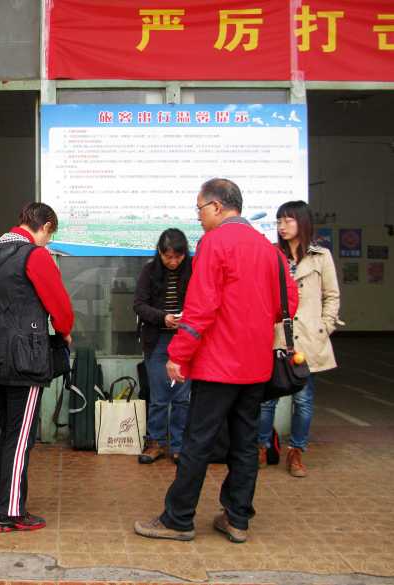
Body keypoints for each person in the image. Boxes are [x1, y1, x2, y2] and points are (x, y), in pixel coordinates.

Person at [134, 178, 297, 544]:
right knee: (245, 443)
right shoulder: (269, 249)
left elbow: (201, 305)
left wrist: (178, 354)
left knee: (197, 442)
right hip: (257, 366)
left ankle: (178, 519)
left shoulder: (215, 242)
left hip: (218, 365)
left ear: (218, 207)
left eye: (200, 209)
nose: (199, 217)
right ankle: (237, 519)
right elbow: (289, 303)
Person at [0, 202, 74, 533]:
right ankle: (10, 512)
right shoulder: (35, 256)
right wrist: (64, 330)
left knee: (9, 431)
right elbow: (59, 305)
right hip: (25, 360)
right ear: (44, 226)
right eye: (50, 234)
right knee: (21, 438)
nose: (48, 241)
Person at [258, 201, 340, 478]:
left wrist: (325, 326)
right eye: (279, 221)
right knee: (267, 398)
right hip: (275, 335)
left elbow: (332, 295)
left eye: (288, 220)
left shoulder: (321, 256)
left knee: (303, 399)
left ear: (302, 222)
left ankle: (296, 451)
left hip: (307, 338)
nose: (282, 226)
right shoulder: (272, 254)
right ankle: (261, 446)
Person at [133, 228, 193, 464]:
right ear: (159, 252)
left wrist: (186, 317)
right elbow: (139, 305)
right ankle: (155, 442)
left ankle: (178, 445)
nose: (173, 262)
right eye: (168, 257)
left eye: (178, 257)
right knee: (158, 395)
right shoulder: (149, 271)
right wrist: (163, 318)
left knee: (182, 397)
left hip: (185, 339)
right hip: (157, 339)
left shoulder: (193, 269)